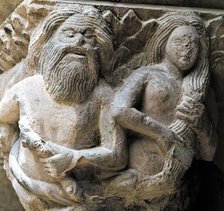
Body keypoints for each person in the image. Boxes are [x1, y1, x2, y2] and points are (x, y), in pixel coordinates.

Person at [0, 5, 127, 210]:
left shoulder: (103, 97)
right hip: (26, 184)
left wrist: (75, 158)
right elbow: (2, 117)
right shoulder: (27, 88)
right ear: (48, 44)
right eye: (69, 34)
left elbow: (118, 156)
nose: (79, 42)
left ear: (99, 49)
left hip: (78, 196)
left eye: (88, 36)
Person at [108, 14, 214, 206]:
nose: (187, 48)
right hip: (138, 175)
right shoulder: (147, 74)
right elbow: (119, 110)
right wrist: (161, 133)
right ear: (164, 42)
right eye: (180, 41)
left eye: (194, 45)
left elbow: (209, 154)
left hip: (177, 187)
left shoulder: (197, 90)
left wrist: (203, 125)